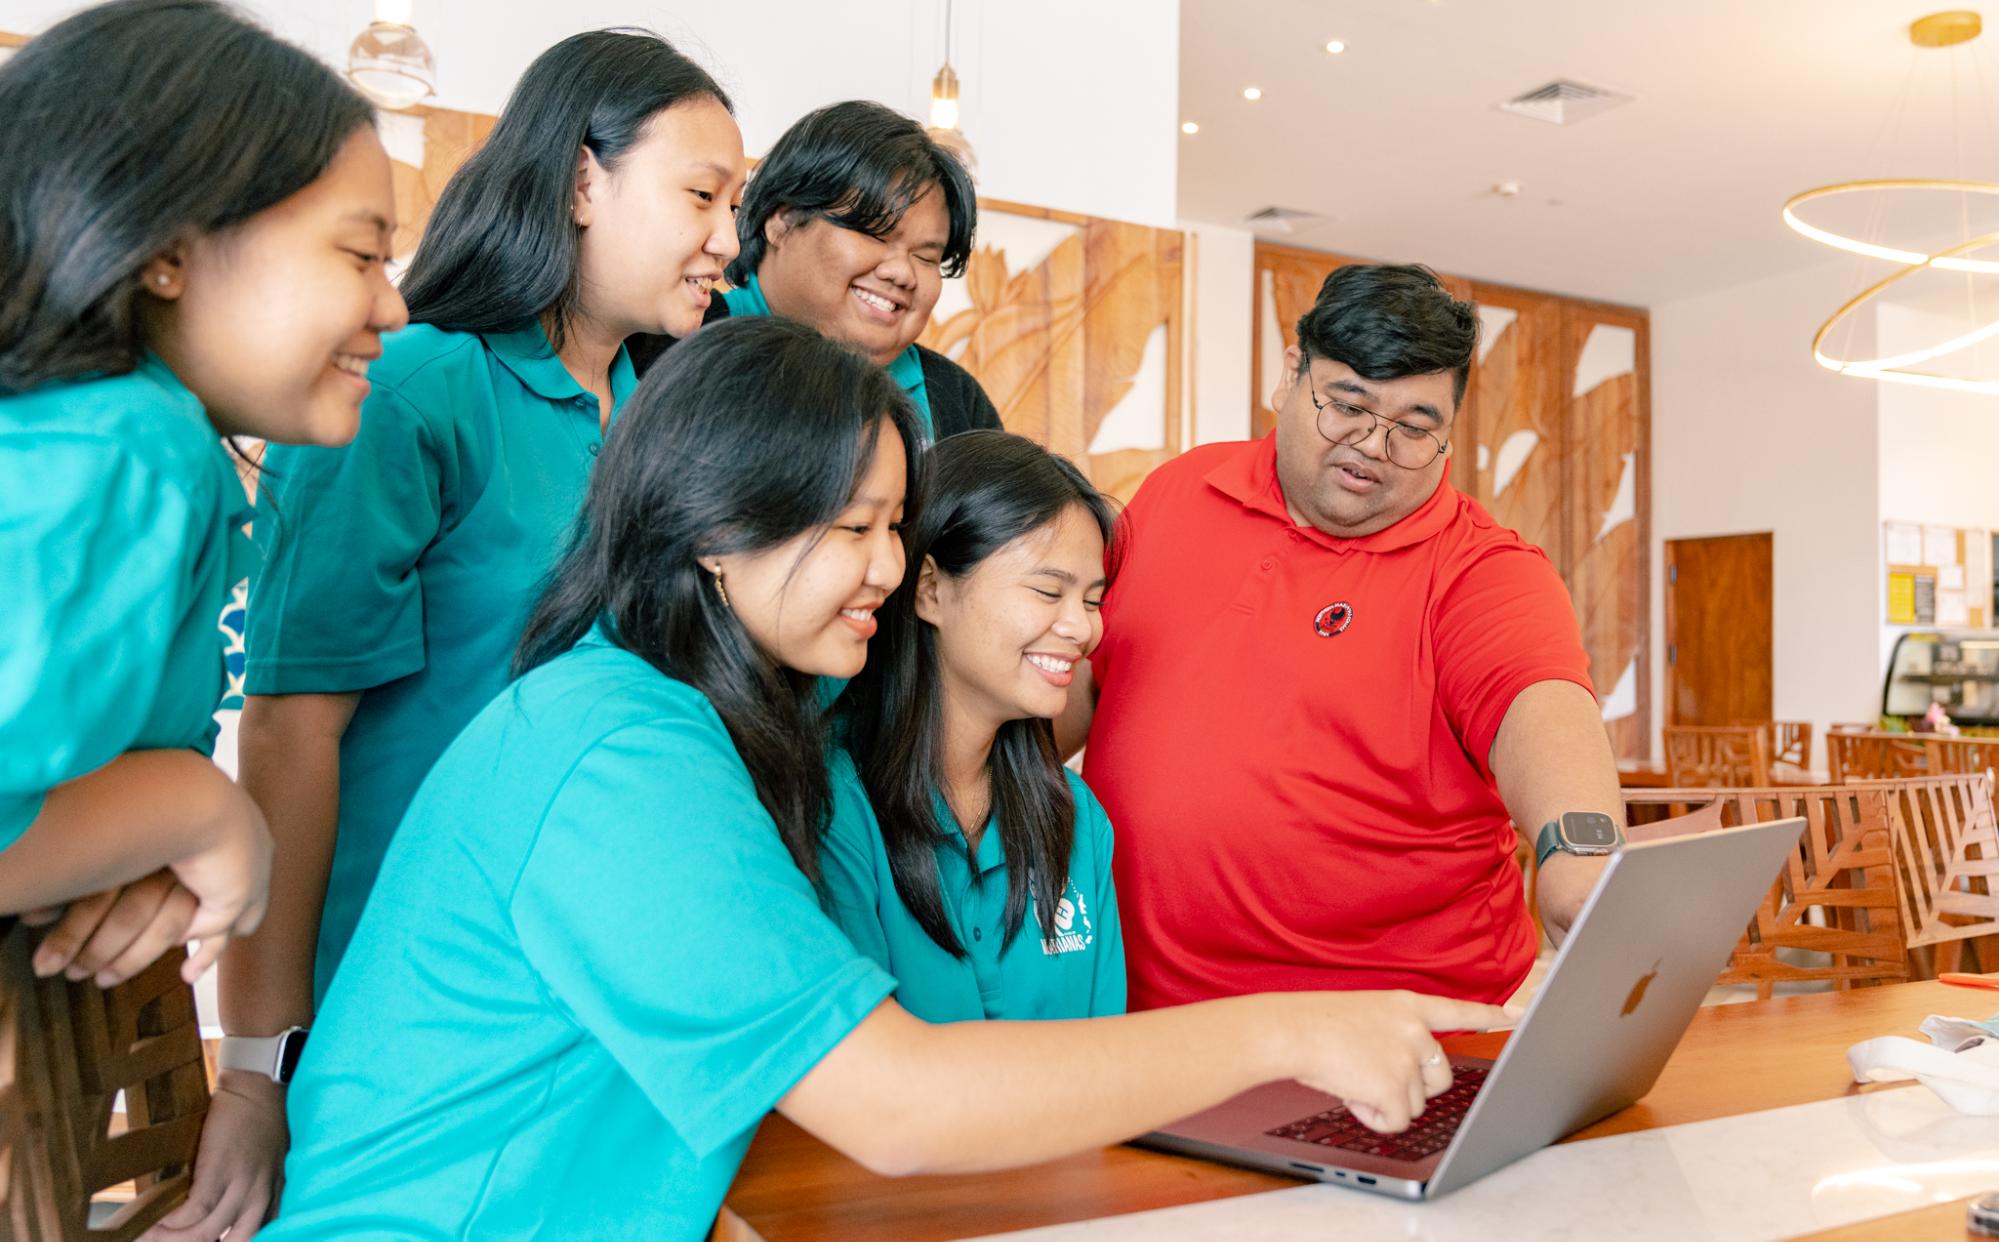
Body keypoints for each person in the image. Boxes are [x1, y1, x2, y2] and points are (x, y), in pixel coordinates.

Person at [265, 317, 1510, 1241]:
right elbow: (896, 1107)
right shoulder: (620, 755)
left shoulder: (682, 722)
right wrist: (1300, 1026)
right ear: (713, 521)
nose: (879, 571)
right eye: (851, 526)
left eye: (891, 528)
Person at [183, 28, 744, 1242]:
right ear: (583, 180)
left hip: (604, 997)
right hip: (421, 999)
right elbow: (287, 729)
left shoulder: (663, 411)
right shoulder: (415, 388)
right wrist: (254, 1066)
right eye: (701, 194)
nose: (728, 239)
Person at [1058, 263, 1626, 1012]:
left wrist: (1578, 858)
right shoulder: (1177, 492)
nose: (1372, 446)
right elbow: (1082, 688)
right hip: (1144, 1014)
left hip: (1390, 1034)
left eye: (1413, 428)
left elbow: (1540, 709)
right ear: (1290, 375)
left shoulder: (1482, 571)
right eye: (1347, 405)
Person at [0, 0, 404, 992]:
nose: (393, 305)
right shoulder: (131, 448)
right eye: (360, 255)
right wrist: (201, 811)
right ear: (168, 251)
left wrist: (130, 842)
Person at [829, 430, 1123, 1020]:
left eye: (1092, 601)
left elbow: (1103, 1061)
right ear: (930, 590)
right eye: (1048, 591)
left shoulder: (1076, 817)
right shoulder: (832, 802)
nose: (1081, 629)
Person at [628, 99, 1001, 442]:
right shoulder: (669, 344)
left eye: (925, 257)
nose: (902, 272)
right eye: (875, 233)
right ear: (783, 222)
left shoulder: (957, 403)